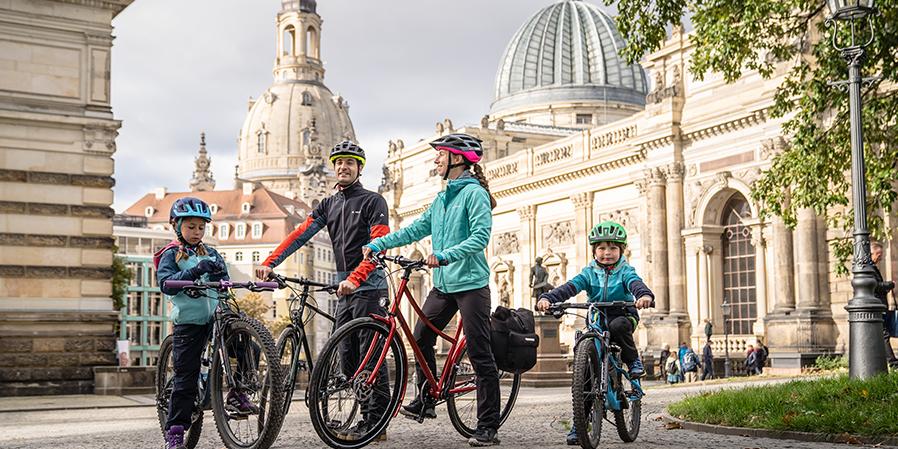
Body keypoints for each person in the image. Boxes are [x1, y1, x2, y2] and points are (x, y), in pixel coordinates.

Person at [362, 133, 502, 447]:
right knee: (421, 336)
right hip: (443, 285)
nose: (435, 160)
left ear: (457, 158)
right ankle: (426, 399)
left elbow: (480, 237)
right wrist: (379, 244)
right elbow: (416, 229)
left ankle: (488, 426)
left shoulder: (474, 194)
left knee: (480, 354)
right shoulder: (441, 198)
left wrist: (446, 254)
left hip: (471, 285)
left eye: (440, 155)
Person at [255, 141, 391, 441]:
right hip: (345, 289)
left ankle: (375, 423)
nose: (343, 167)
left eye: (350, 163)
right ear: (334, 167)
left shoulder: (373, 201)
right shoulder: (329, 204)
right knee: (347, 357)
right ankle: (365, 416)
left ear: (359, 168)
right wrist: (270, 262)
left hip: (370, 288)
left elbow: (378, 246)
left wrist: (356, 278)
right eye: (339, 162)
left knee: (372, 357)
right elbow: (301, 234)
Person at [535, 220, 654, 446]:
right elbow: (569, 287)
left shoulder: (625, 270)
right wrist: (548, 298)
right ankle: (579, 425)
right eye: (601, 248)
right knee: (586, 375)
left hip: (622, 313)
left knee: (619, 326)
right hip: (598, 315)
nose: (606, 253)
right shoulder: (589, 273)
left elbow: (635, 284)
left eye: (612, 248)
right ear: (594, 251)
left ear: (621, 251)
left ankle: (633, 361)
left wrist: (644, 295)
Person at [155, 197, 249, 449]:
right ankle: (175, 430)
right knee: (186, 376)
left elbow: (224, 281)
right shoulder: (171, 254)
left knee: (244, 341)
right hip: (189, 321)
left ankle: (238, 392)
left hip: (216, 316)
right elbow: (166, 283)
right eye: (191, 227)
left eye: (201, 227)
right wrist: (195, 272)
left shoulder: (211, 252)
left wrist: (222, 276)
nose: (197, 232)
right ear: (177, 226)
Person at [872, 241, 898, 368]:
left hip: (880, 306)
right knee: (884, 334)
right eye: (878, 254)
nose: (880, 257)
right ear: (871, 253)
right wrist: (889, 284)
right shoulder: (869, 268)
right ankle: (893, 362)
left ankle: (882, 361)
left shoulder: (873, 268)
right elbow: (874, 286)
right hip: (876, 307)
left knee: (881, 335)